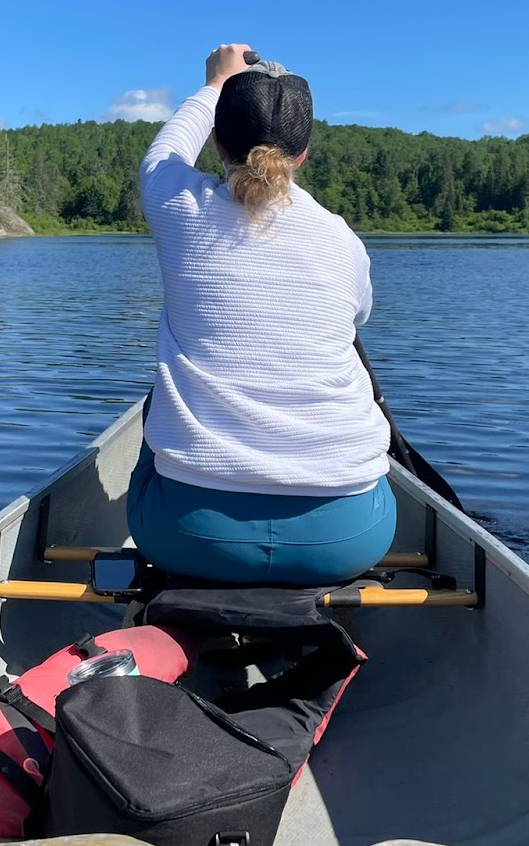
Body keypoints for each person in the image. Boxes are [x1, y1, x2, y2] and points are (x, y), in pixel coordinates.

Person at [127, 43, 395, 585]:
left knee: (159, 403)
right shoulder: (344, 241)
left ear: (219, 143)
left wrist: (214, 85)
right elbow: (358, 318)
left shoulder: (177, 204)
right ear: (304, 154)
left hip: (186, 534)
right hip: (346, 539)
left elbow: (163, 154)